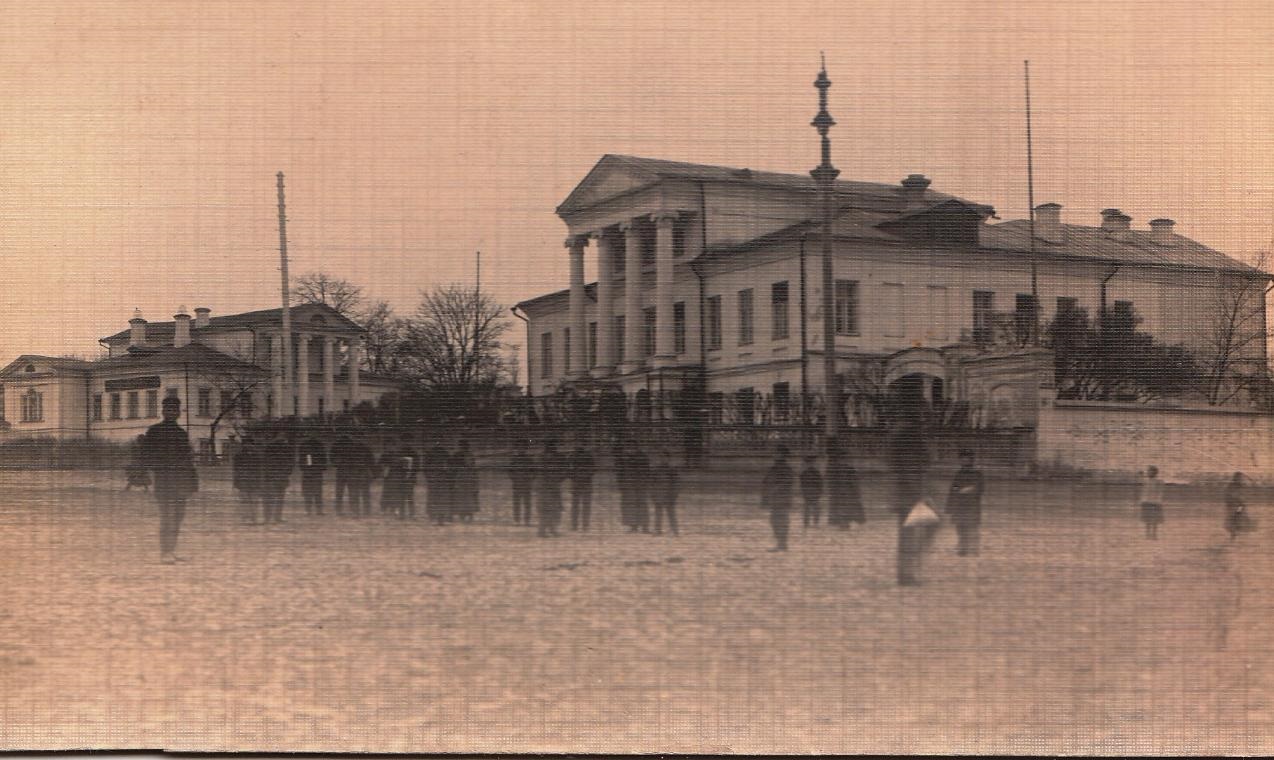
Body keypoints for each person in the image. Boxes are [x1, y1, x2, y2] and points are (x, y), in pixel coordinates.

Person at [139, 397, 198, 564]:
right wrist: (155, 468)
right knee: (167, 516)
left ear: (179, 412)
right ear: (163, 411)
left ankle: (171, 550)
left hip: (181, 481)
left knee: (178, 516)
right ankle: (165, 552)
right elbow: (145, 456)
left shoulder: (181, 433)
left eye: (175, 410)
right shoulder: (154, 431)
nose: (172, 413)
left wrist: (192, 482)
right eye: (169, 410)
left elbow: (188, 459)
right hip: (164, 480)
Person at [888, 411, 929, 586]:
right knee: (912, 535)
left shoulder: (901, 433)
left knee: (909, 534)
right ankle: (907, 574)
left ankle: (906, 572)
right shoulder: (908, 435)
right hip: (909, 496)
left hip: (905, 495)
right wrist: (921, 495)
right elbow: (912, 469)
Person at [946, 449, 985, 556]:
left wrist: (969, 489)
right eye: (962, 459)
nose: (964, 461)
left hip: (972, 505)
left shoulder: (977, 473)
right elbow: (953, 489)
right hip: (959, 505)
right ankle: (962, 548)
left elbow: (980, 488)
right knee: (960, 526)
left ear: (971, 460)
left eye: (967, 459)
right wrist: (950, 506)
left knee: (972, 527)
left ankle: (973, 549)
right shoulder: (958, 473)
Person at [761, 445, 795, 551]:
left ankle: (782, 544)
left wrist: (774, 490)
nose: (774, 455)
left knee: (780, 520)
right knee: (774, 520)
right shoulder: (774, 467)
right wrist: (766, 496)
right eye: (775, 453)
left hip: (782, 498)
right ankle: (781, 543)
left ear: (783, 455)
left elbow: (787, 482)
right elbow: (766, 482)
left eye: (777, 453)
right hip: (774, 498)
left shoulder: (785, 468)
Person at [259, 426, 295, 525]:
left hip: (281, 476)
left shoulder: (287, 448)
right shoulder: (270, 447)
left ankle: (276, 517)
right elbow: (265, 462)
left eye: (283, 435)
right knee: (269, 498)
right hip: (272, 476)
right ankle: (269, 518)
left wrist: (287, 472)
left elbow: (291, 462)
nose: (282, 437)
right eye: (280, 435)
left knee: (279, 498)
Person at [825, 446, 865, 530]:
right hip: (847, 492)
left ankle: (842, 524)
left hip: (838, 492)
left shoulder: (834, 468)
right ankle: (844, 524)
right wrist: (857, 491)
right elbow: (854, 481)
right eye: (845, 457)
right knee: (846, 508)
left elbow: (829, 479)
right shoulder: (849, 468)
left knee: (841, 507)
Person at [231, 433, 264, 525]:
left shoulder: (258, 456)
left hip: (255, 482)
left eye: (249, 443)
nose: (248, 446)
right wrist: (235, 482)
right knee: (244, 500)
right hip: (243, 482)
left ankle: (254, 518)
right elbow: (235, 470)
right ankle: (245, 518)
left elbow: (261, 470)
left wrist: (261, 483)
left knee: (254, 500)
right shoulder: (238, 456)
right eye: (245, 444)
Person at [537, 439, 567, 537]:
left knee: (551, 508)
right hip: (547, 486)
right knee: (549, 508)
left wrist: (559, 478)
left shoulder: (557, 458)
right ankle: (545, 530)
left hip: (550, 486)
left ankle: (550, 529)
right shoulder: (543, 458)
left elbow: (563, 471)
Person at [650, 449, 680, 536]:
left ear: (669, 458)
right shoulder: (656, 470)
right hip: (658, 493)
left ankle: (675, 531)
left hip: (669, 494)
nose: (663, 459)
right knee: (658, 512)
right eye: (661, 457)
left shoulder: (673, 470)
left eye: (665, 457)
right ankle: (657, 530)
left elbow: (676, 483)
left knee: (671, 512)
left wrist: (674, 494)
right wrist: (653, 494)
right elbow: (652, 483)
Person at [298, 432, 329, 516]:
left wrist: (308, 468)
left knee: (311, 491)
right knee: (316, 491)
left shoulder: (305, 444)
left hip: (311, 471)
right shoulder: (318, 444)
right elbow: (308, 457)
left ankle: (311, 510)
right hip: (314, 471)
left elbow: (305, 458)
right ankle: (314, 510)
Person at [569, 441, 595, 531]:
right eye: (577, 444)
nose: (578, 445)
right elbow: (569, 469)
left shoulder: (588, 456)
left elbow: (593, 469)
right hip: (576, 483)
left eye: (580, 444)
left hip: (586, 483)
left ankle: (585, 525)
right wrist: (574, 477)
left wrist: (585, 476)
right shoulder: (572, 456)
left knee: (585, 505)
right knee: (575, 505)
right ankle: (574, 525)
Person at [424, 441, 452, 524]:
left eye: (440, 441)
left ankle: (441, 517)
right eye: (435, 441)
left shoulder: (445, 454)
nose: (438, 443)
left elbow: (450, 466)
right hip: (433, 479)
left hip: (443, 479)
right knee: (432, 497)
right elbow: (425, 467)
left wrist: (448, 474)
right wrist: (429, 477)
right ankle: (432, 516)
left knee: (443, 498)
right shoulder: (429, 453)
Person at [509, 439, 535, 526]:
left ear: (526, 448)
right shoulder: (514, 460)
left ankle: (527, 520)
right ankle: (517, 520)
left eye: (523, 447)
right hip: (517, 484)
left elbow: (534, 472)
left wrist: (530, 479)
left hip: (527, 484)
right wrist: (514, 479)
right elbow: (509, 471)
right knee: (517, 503)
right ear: (517, 448)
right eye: (519, 447)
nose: (521, 449)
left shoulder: (529, 460)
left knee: (527, 503)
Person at [451, 441, 479, 523]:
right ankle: (465, 515)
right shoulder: (460, 455)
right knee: (464, 497)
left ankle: (467, 515)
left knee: (466, 497)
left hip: (465, 479)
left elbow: (473, 468)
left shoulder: (466, 455)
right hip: (462, 478)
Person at [1137, 465, 1165, 540]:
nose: (1148, 473)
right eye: (1148, 471)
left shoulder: (1159, 481)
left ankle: (1154, 535)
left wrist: (1159, 501)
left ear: (1155, 473)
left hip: (1155, 502)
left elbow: (1160, 492)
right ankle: (1147, 535)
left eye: (1150, 471)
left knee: (1155, 519)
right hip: (1146, 502)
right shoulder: (1146, 481)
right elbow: (1141, 478)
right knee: (1147, 519)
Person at [799, 454, 824, 528]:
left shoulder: (804, 471)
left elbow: (801, 481)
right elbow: (820, 481)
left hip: (808, 490)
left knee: (808, 506)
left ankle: (807, 523)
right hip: (813, 490)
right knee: (814, 506)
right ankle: (814, 523)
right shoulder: (816, 471)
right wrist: (820, 490)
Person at [1224, 471, 1249, 541]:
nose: (1240, 479)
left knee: (1238, 518)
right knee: (1233, 519)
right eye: (1239, 477)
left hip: (1238, 505)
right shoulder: (1231, 485)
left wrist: (1242, 504)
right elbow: (1228, 495)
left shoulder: (1241, 485)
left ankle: (1235, 533)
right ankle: (1233, 534)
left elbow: (1243, 495)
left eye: (1241, 478)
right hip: (1232, 505)